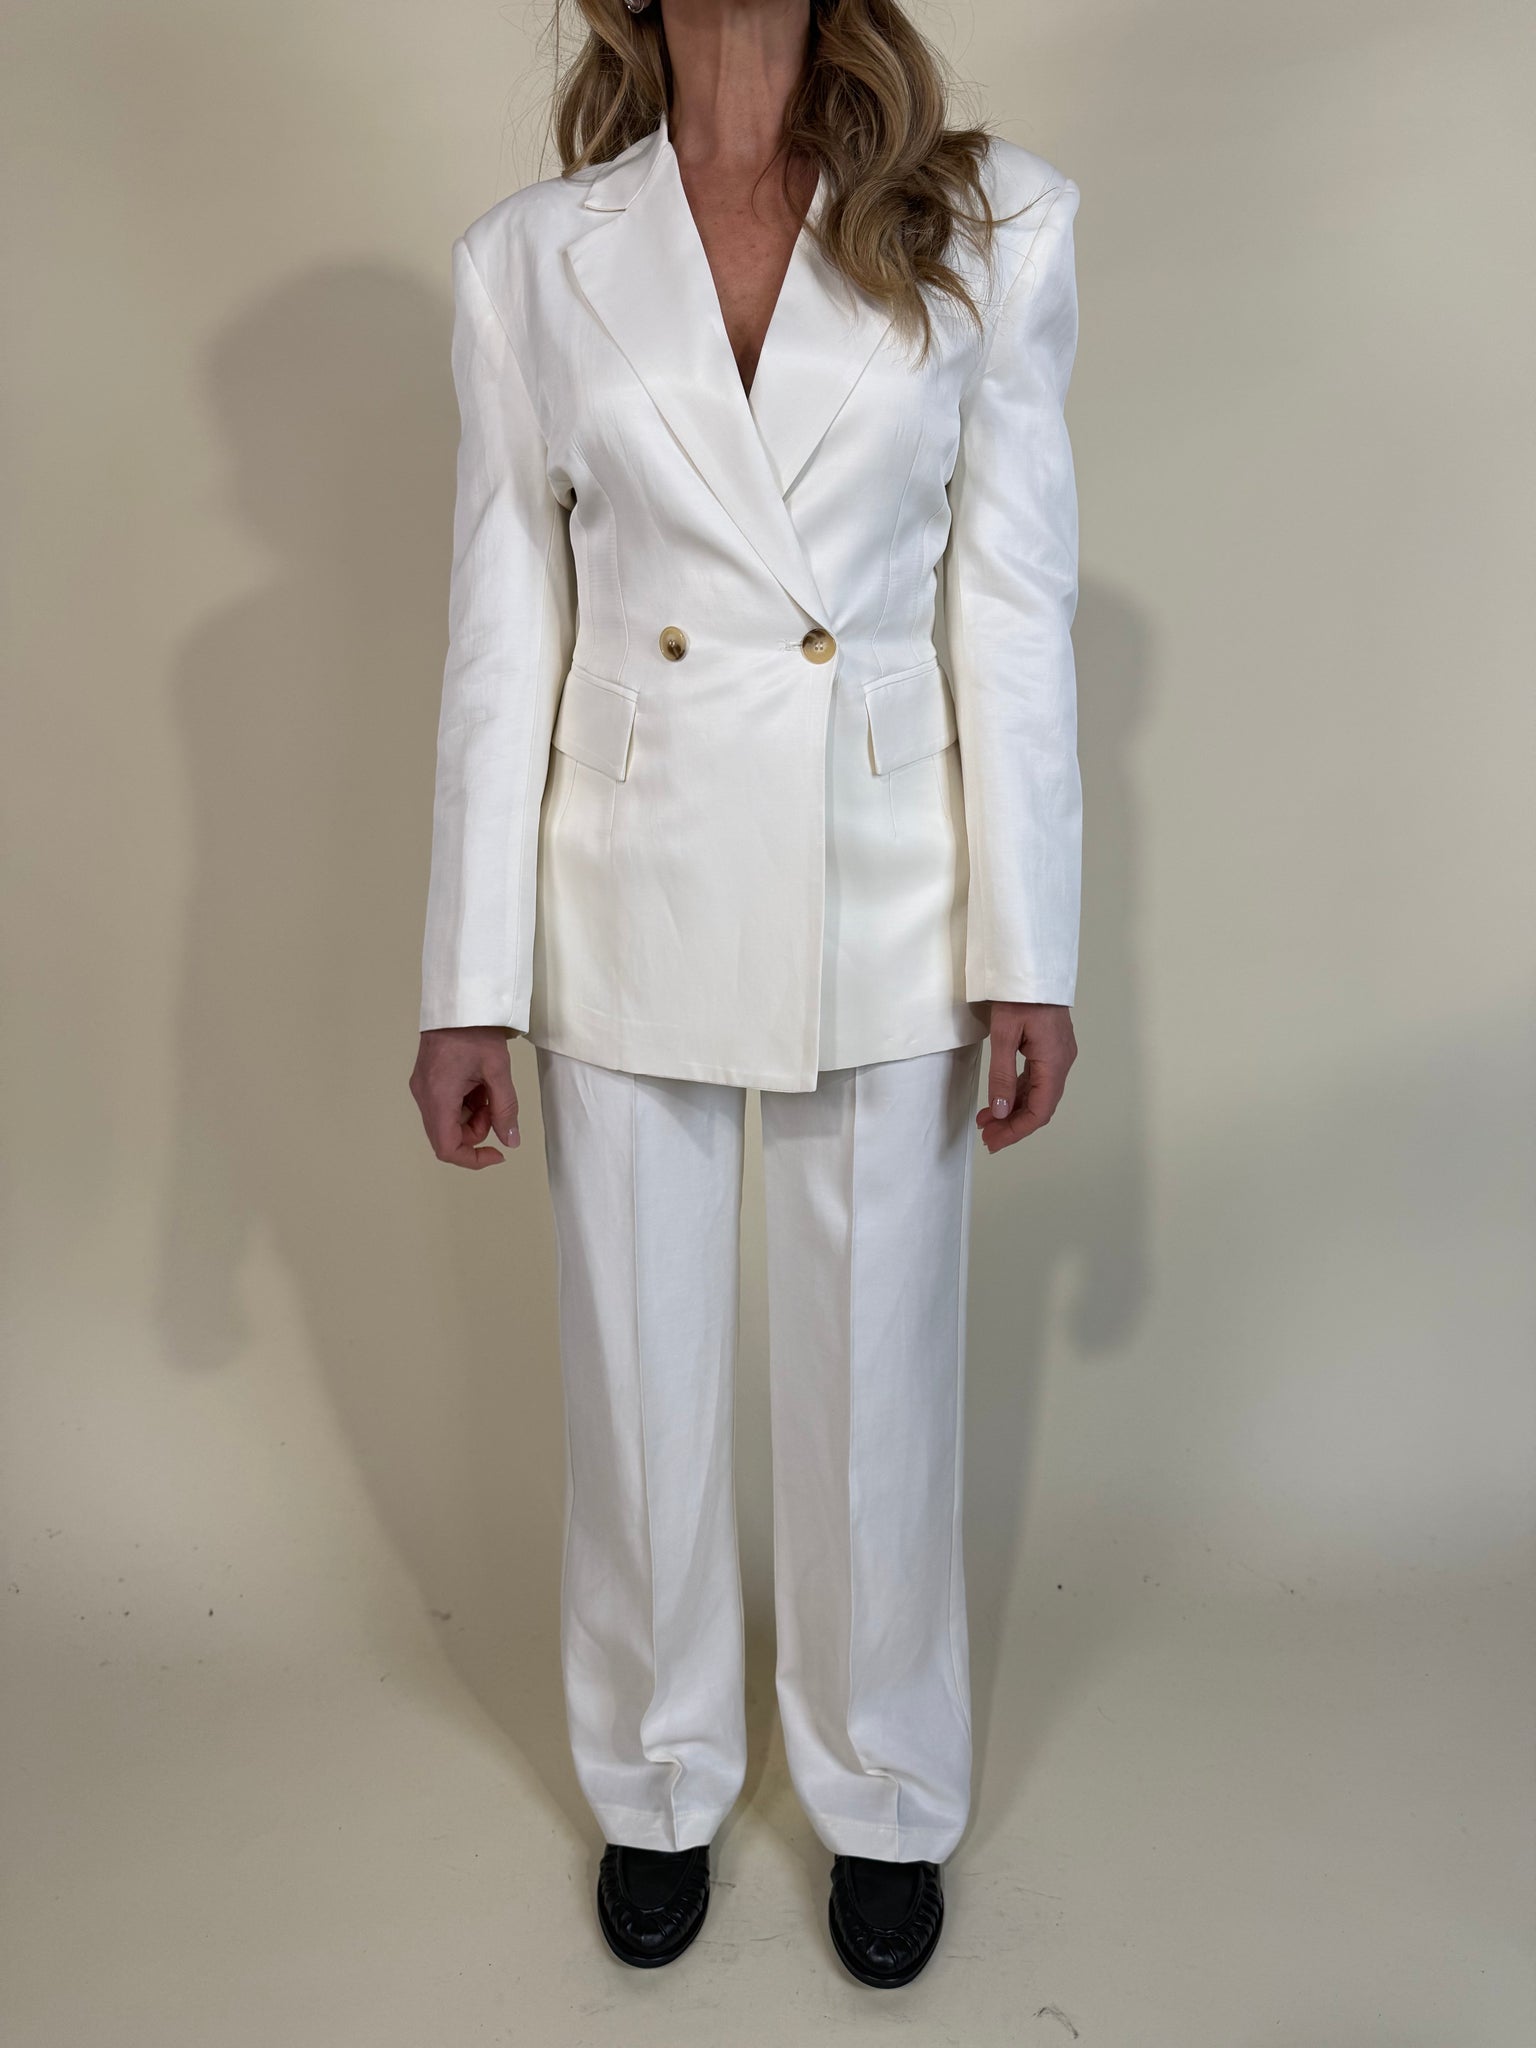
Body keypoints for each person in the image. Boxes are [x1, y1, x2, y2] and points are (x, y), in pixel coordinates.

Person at [408, 0, 1081, 1990]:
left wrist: (1028, 948)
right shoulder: (530, 260)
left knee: (884, 1377)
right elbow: (502, 626)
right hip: (627, 867)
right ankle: (657, 1775)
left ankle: (885, 1795)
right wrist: (465, 982)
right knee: (636, 1369)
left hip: (884, 867)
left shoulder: (990, 221)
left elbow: (1013, 604)